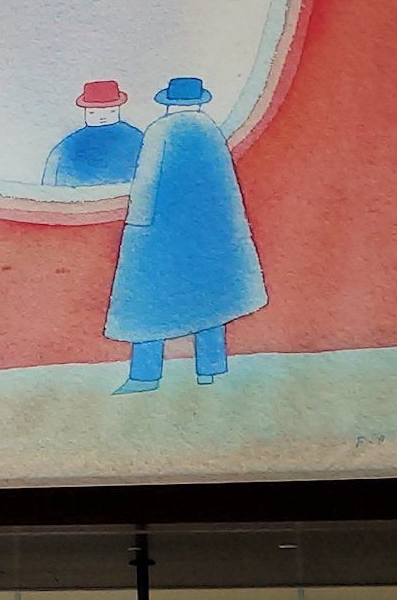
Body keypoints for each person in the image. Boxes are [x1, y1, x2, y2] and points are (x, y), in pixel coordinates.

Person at [104, 77, 267, 393]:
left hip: (161, 235)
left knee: (147, 303)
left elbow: (146, 184)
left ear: (168, 103)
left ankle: (145, 376)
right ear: (199, 101)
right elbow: (225, 189)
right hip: (207, 234)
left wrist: (137, 227)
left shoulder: (160, 131)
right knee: (211, 299)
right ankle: (211, 370)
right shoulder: (210, 131)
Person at [42, 80, 143, 187]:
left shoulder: (136, 139)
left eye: (110, 111)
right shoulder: (69, 144)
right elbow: (50, 179)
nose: (102, 117)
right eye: (93, 112)